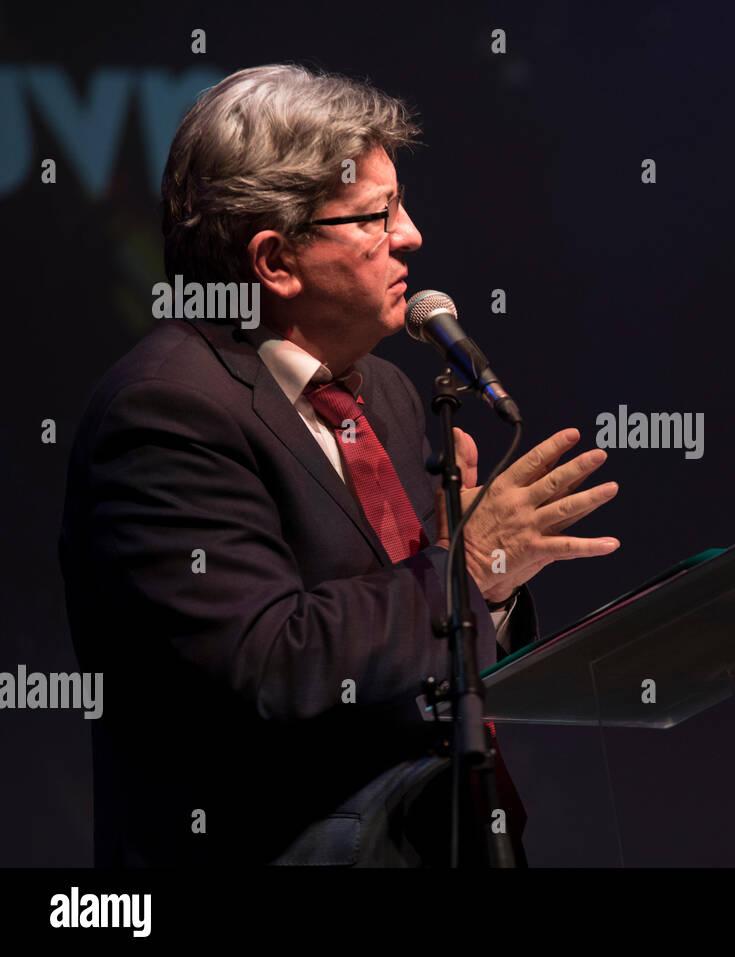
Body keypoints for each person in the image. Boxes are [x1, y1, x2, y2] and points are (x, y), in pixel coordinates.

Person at [57, 63, 620, 866]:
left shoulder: (383, 391)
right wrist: (462, 568)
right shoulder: (165, 411)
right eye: (378, 214)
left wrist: (482, 581)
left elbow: (419, 632)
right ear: (276, 260)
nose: (412, 235)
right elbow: (265, 664)